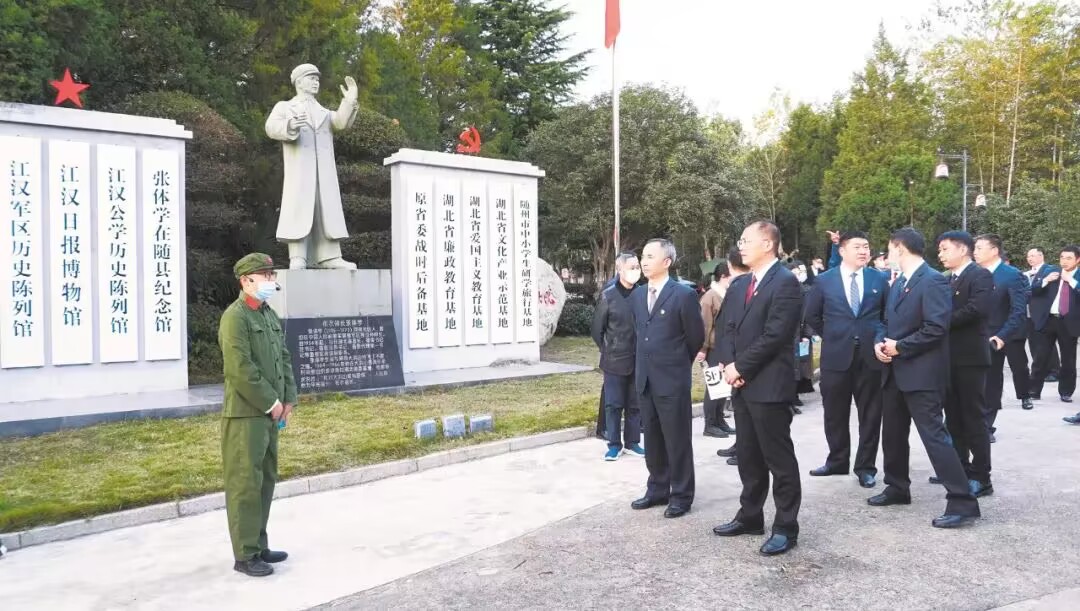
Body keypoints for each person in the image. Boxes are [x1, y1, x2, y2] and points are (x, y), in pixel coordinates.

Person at [870, 228, 980, 529]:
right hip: (894, 371)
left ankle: (963, 502)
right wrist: (880, 342)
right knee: (893, 434)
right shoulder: (899, 281)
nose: (887, 255)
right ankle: (897, 487)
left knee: (935, 438)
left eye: (889, 249)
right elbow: (886, 322)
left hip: (922, 374)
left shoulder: (933, 280)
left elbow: (936, 328)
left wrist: (901, 347)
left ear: (900, 249)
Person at [713, 221, 804, 556]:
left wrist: (741, 367)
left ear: (768, 244)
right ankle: (750, 516)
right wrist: (727, 364)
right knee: (748, 456)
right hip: (741, 384)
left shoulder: (785, 282)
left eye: (745, 240)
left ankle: (786, 527)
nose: (741, 245)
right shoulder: (740, 284)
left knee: (778, 459)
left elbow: (776, 335)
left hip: (770, 384)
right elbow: (725, 328)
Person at [218, 253, 298, 577]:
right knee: (245, 484)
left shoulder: (267, 314)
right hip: (245, 416)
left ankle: (259, 544)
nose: (270, 280)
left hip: (269, 414)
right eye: (264, 275)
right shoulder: (235, 318)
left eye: (271, 274)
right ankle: (245, 554)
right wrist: (271, 402)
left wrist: (288, 398)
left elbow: (283, 357)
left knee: (265, 480)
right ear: (246, 280)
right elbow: (240, 369)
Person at [804, 230, 887, 488]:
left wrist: (877, 338)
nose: (864, 251)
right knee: (834, 413)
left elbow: (886, 316)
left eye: (866, 246)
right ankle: (837, 460)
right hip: (836, 356)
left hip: (870, 357)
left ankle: (865, 467)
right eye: (858, 246)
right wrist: (833, 334)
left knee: (870, 415)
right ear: (842, 251)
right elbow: (812, 315)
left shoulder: (879, 278)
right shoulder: (824, 281)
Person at [630, 239, 705, 519]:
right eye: (643, 256)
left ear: (667, 262)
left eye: (650, 256)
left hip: (672, 379)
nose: (644, 261)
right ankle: (657, 488)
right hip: (646, 379)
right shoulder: (638, 295)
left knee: (677, 440)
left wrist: (677, 363)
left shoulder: (682, 295)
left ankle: (682, 495)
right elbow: (640, 333)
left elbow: (695, 336)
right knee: (652, 438)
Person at [265, 63, 360, 270]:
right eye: (311, 78)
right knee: (300, 210)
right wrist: (290, 125)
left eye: (317, 79)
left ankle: (330, 257)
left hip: (324, 173)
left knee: (326, 211)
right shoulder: (285, 107)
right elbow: (270, 127)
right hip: (300, 172)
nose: (316, 82)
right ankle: (298, 257)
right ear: (299, 82)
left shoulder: (323, 112)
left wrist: (349, 100)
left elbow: (341, 122)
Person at [936, 231, 994, 499]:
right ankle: (958, 469)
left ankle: (981, 476)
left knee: (973, 418)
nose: (941, 255)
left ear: (962, 250)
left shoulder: (979, 275)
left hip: (970, 359)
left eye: (945, 249)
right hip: (949, 358)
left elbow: (977, 309)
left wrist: (939, 322)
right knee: (953, 418)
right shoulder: (949, 278)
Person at [975, 235, 1032, 444]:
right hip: (972, 338)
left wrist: (1002, 336)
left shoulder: (1011, 275)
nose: (975, 252)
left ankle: (987, 425)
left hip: (995, 338)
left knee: (991, 382)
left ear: (994, 250)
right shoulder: (975, 273)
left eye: (979, 248)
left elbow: (1018, 311)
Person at [591, 253, 645, 461]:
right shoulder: (608, 296)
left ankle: (633, 442)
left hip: (638, 359)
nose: (636, 270)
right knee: (613, 404)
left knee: (635, 404)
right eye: (631, 267)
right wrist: (609, 348)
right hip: (614, 360)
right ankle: (614, 444)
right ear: (620, 270)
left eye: (637, 266)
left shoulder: (643, 294)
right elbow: (597, 330)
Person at [712, 248, 751, 466]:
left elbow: (729, 324)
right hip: (734, 360)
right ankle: (740, 446)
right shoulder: (743, 284)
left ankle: (744, 450)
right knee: (740, 408)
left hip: (740, 361)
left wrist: (730, 362)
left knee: (745, 410)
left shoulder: (741, 285)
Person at [1030, 246, 1080, 403]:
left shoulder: (1077, 276)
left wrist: (1070, 280)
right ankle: (1033, 390)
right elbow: (1033, 290)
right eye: (1062, 257)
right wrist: (1046, 280)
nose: (1064, 261)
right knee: (1040, 357)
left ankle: (1066, 391)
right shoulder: (1052, 272)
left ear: (1077, 260)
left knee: (1068, 360)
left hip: (1069, 322)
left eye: (1069, 258)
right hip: (1049, 320)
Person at [697, 262, 737, 438]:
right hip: (713, 347)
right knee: (713, 386)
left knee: (723, 387)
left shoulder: (726, 294)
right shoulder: (710, 297)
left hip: (724, 346)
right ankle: (710, 423)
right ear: (723, 277)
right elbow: (705, 325)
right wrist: (703, 348)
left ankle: (720, 419)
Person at [1026, 248, 1061, 385]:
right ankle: (1040, 371)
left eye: (1033, 255)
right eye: (1028, 256)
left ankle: (1054, 371)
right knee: (1034, 343)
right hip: (1028, 313)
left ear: (1041, 256)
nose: (1030, 258)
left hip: (1043, 313)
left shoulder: (1051, 270)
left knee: (1047, 344)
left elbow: (1034, 289)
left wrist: (1044, 279)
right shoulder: (1027, 273)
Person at [788, 261, 814, 413]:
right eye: (796, 273)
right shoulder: (784, 291)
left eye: (800, 273)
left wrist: (806, 334)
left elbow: (807, 315)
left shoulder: (804, 290)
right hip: (788, 336)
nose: (799, 276)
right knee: (790, 368)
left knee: (799, 367)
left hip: (800, 334)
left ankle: (793, 397)